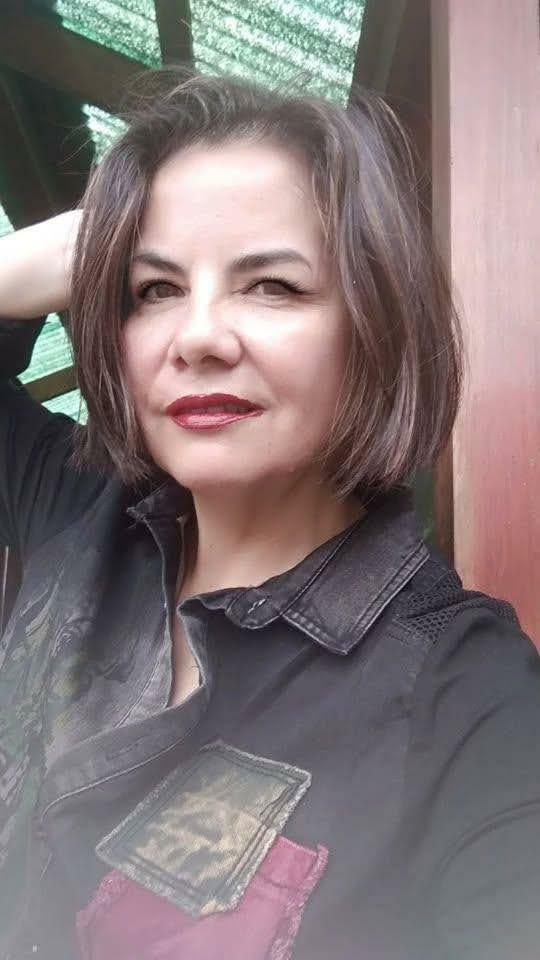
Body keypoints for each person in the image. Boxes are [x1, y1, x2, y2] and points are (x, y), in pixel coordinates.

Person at [0, 72, 539, 960]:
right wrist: (56, 251)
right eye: (153, 290)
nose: (198, 336)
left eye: (273, 286)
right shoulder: (76, 506)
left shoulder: (466, 695)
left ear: (374, 325)